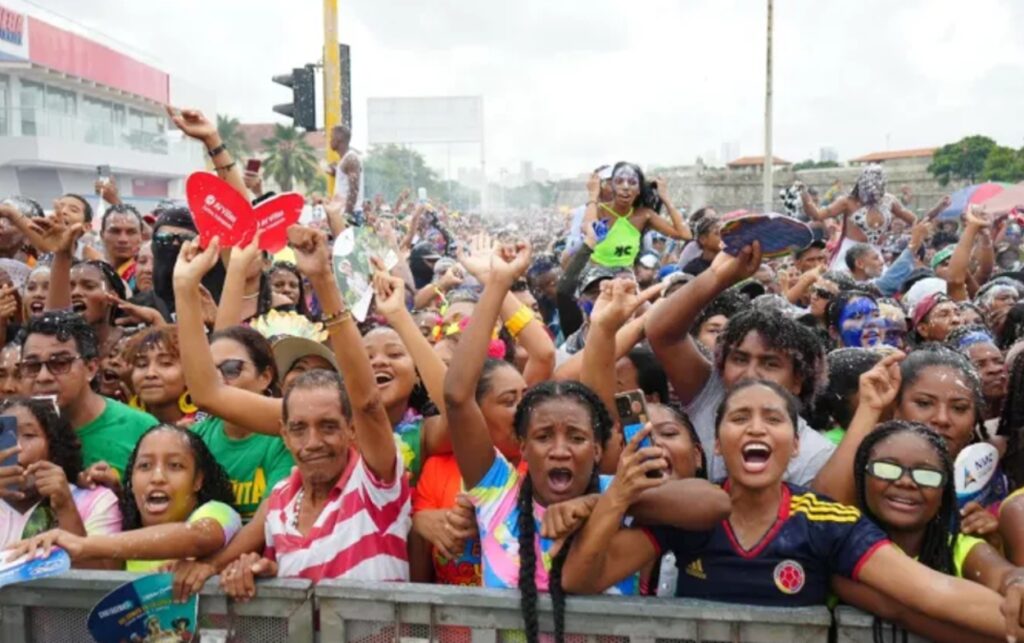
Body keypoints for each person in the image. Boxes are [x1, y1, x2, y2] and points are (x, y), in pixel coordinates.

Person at [559, 381, 1024, 642]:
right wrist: (617, 495)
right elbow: (580, 580)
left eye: (774, 418)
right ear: (718, 443)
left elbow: (933, 591)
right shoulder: (688, 515)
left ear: (796, 443)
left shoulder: (827, 520)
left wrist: (1015, 607)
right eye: (739, 418)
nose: (756, 427)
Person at [442, 244, 727, 642]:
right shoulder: (497, 496)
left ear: (597, 449)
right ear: (522, 447)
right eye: (543, 436)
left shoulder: (621, 494)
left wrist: (605, 502)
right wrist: (497, 285)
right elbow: (457, 397)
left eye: (576, 437)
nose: (560, 449)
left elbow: (713, 503)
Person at [645, 242, 836, 484]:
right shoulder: (711, 394)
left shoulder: (815, 457)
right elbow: (662, 333)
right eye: (739, 359)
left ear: (798, 381)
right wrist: (718, 277)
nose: (750, 374)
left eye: (770, 364)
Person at [832, 421, 1024, 642]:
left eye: (926, 474)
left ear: (945, 490)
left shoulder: (959, 548)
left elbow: (1002, 574)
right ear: (861, 476)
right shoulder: (841, 548)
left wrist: (1016, 582)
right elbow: (897, 609)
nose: (906, 482)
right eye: (886, 469)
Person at [5, 424, 240, 572]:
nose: (157, 477)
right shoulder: (122, 536)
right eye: (145, 466)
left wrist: (84, 545)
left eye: (175, 466)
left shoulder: (217, 511)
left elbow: (198, 537)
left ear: (198, 480)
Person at [20, 311, 158, 489]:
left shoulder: (140, 429)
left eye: (60, 363)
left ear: (91, 368)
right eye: (32, 366)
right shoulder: (7, 430)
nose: (43, 377)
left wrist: (120, 493)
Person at [0, 397, 121, 553]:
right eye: (3, 435)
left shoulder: (94, 502)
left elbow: (101, 573)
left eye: (29, 435)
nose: (16, 447)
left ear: (55, 447)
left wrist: (65, 506)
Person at [797, 164, 936, 271]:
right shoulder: (847, 202)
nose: (873, 191)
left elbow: (917, 221)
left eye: (878, 184)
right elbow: (816, 215)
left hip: (876, 256)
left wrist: (938, 208)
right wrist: (804, 196)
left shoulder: (889, 201)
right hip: (849, 256)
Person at [583, 164, 691, 269]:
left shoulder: (644, 215)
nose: (625, 187)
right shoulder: (600, 210)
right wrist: (593, 195)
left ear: (638, 190)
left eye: (632, 182)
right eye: (619, 181)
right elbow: (588, 230)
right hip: (595, 277)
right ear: (612, 186)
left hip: (625, 279)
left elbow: (685, 235)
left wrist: (665, 197)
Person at [124, 326, 199, 426]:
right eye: (141, 364)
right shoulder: (121, 425)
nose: (150, 374)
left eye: (165, 363)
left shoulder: (209, 426)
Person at [100, 204, 143, 291]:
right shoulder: (92, 272)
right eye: (115, 231)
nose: (123, 239)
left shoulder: (146, 276)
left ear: (141, 237)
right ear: (102, 235)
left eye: (131, 232)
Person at [326, 124, 364, 221]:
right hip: (343, 212)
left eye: (331, 137)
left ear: (338, 139)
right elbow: (345, 181)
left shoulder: (351, 159)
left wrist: (347, 216)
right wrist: (335, 171)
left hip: (351, 213)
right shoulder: (345, 160)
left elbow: (354, 189)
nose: (330, 140)